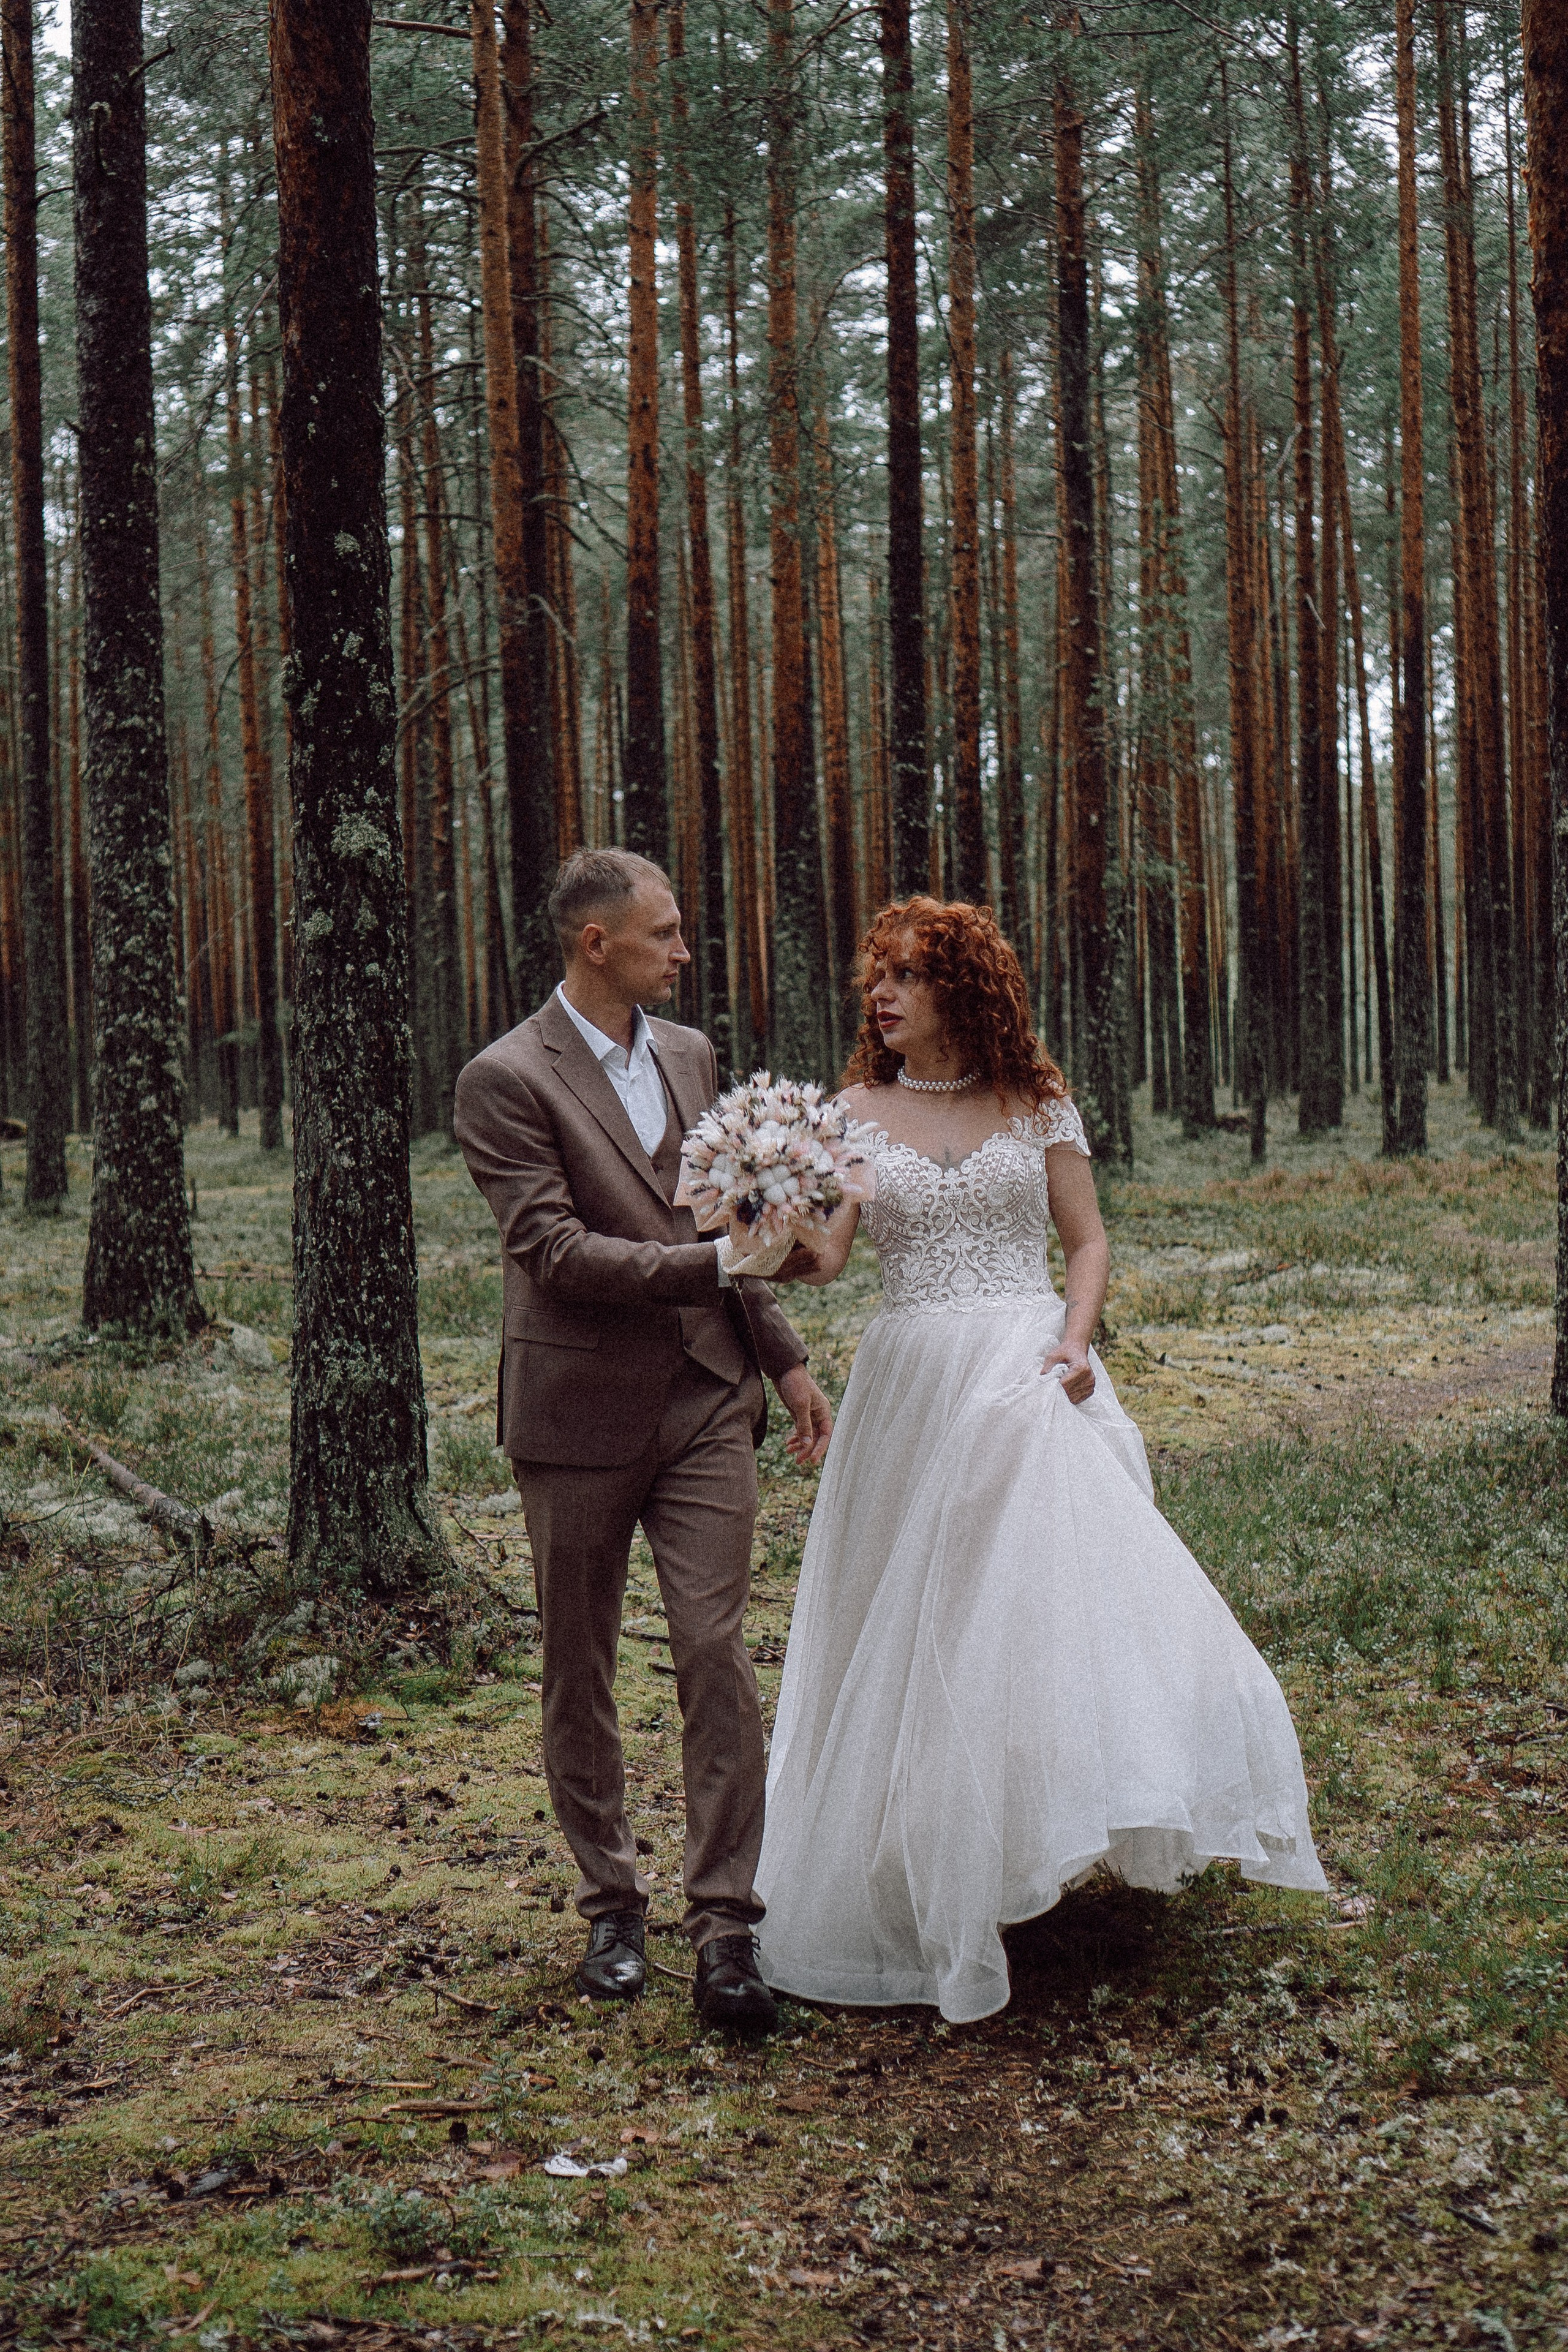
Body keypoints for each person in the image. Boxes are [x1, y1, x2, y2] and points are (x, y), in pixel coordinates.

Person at [755, 897, 1327, 2024]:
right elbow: (824, 1260)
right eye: (880, 974)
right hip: (914, 1380)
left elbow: (1087, 1238)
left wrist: (1075, 1340)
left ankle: (1037, 1840)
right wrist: (764, 1221)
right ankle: (912, 1862)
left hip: (1028, 1372)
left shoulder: (1036, 1101)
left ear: (963, 992)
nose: (884, 993)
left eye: (909, 975)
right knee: (913, 1616)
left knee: (1041, 1611)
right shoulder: (853, 1112)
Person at [454, 848, 833, 2033]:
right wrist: (716, 1262)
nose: (683, 952)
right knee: (582, 1664)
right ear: (596, 944)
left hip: (708, 1396)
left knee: (715, 1653)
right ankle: (611, 1906)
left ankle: (726, 1929)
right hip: (575, 1415)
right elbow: (554, 1253)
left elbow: (722, 1222)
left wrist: (781, 1354)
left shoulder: (689, 1056)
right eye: (664, 934)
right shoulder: (503, 1079)